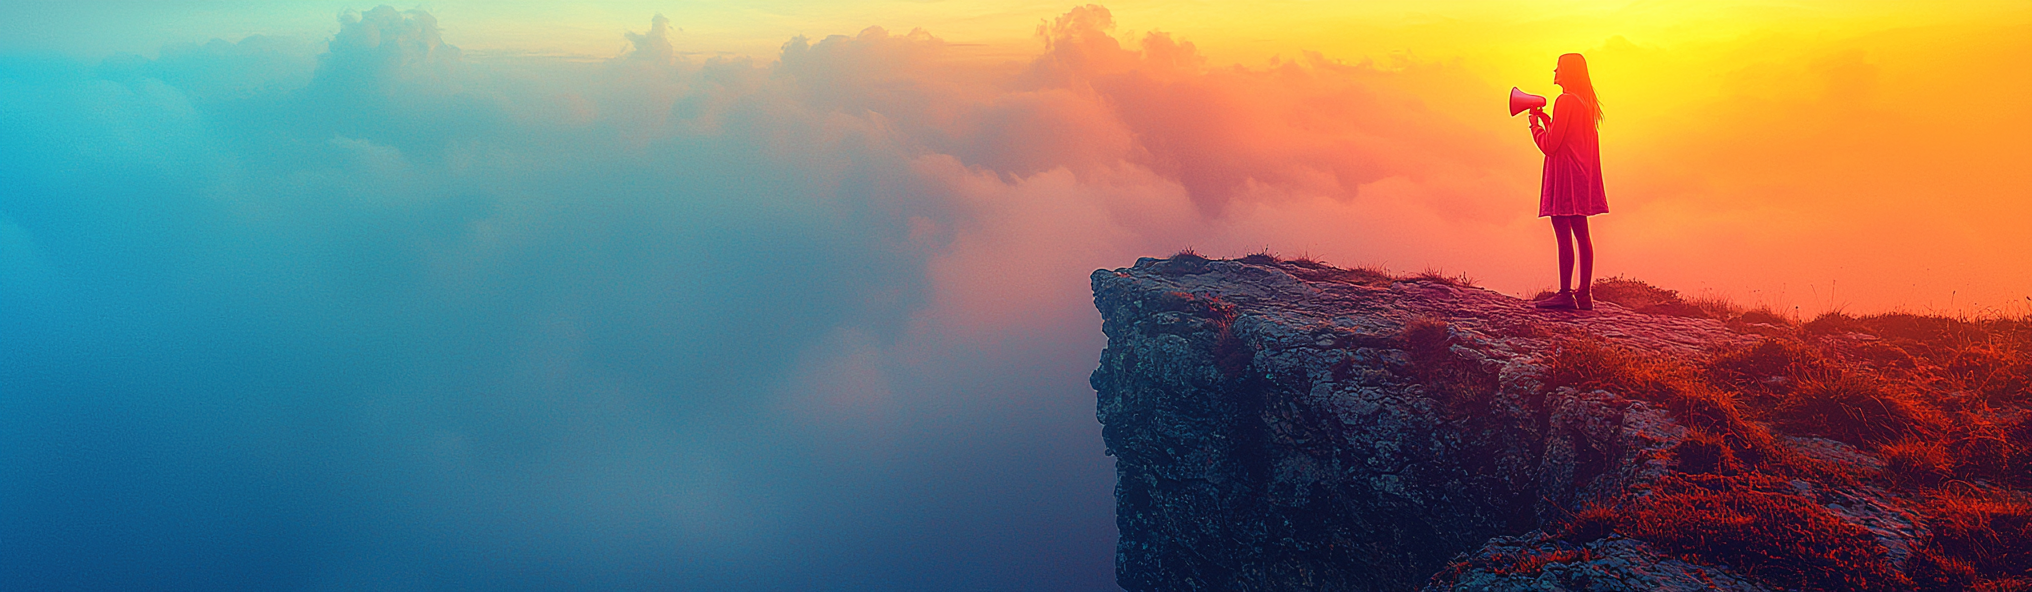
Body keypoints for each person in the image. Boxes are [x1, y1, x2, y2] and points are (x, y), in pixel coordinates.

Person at [1529, 53, 1608, 310]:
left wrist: (1535, 127)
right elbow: (1570, 136)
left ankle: (1565, 294)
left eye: (1559, 67)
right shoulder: (1585, 103)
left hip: (1565, 176)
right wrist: (1550, 122)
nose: (1554, 71)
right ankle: (1584, 294)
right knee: (1582, 234)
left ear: (1569, 72)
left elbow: (1551, 146)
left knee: (1563, 232)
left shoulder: (1564, 100)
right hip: (1581, 174)